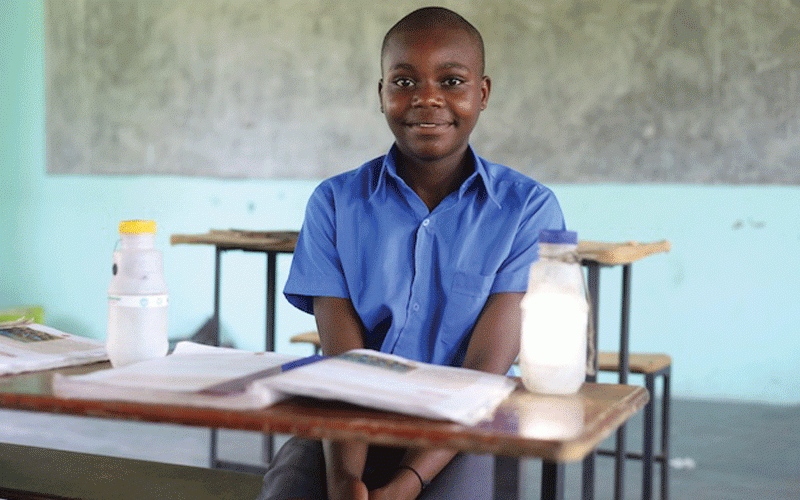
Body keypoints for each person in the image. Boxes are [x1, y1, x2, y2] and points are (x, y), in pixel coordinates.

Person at [257, 6, 565, 500]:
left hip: (463, 425)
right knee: (288, 491)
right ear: (380, 95)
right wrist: (345, 480)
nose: (426, 98)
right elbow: (345, 359)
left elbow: (485, 372)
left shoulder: (527, 210)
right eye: (403, 81)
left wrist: (408, 481)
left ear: (481, 94)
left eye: (451, 81)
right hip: (349, 415)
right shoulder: (335, 203)